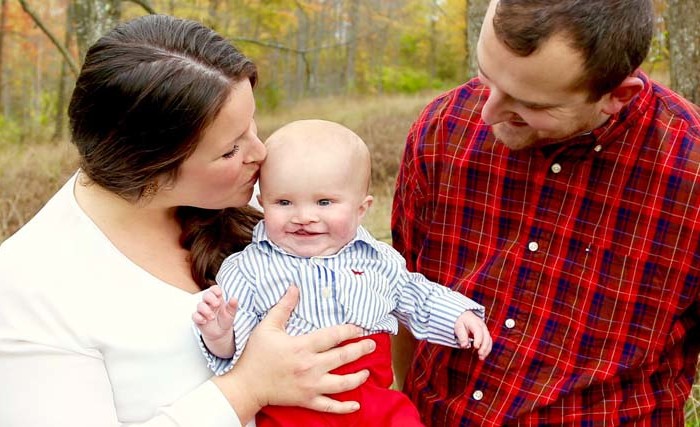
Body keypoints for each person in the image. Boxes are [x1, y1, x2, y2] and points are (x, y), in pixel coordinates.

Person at [0, 15, 378, 427]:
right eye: (231, 149)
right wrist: (247, 387)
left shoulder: (267, 198)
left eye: (251, 124)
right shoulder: (30, 289)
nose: (260, 153)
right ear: (151, 168)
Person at [391, 0, 700, 425]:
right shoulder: (441, 128)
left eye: (529, 104)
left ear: (617, 95)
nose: (487, 113)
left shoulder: (690, 170)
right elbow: (404, 292)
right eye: (486, 76)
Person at [193, 119, 493, 427]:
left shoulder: (377, 259)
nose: (304, 217)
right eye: (283, 202)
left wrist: (457, 315)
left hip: (372, 401)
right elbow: (242, 350)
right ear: (262, 203)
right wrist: (219, 335)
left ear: (361, 208)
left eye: (324, 202)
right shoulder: (249, 268)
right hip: (293, 408)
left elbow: (415, 294)